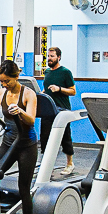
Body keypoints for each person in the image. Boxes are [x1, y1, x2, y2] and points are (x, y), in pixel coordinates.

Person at [0, 59, 38, 214]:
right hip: (8, 142)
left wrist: (20, 111)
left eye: (7, 81)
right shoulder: (1, 93)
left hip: (26, 145)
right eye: (1, 81)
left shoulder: (28, 94)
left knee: (23, 187)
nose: (4, 84)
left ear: (16, 76)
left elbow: (31, 120)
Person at [40, 46, 76, 175]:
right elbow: (47, 89)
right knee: (44, 137)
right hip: (48, 110)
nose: (49, 58)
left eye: (52, 56)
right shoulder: (47, 72)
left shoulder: (65, 72)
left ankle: (70, 164)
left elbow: (73, 91)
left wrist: (59, 89)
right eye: (48, 56)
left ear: (58, 57)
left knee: (65, 137)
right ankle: (46, 165)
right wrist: (41, 94)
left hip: (62, 110)